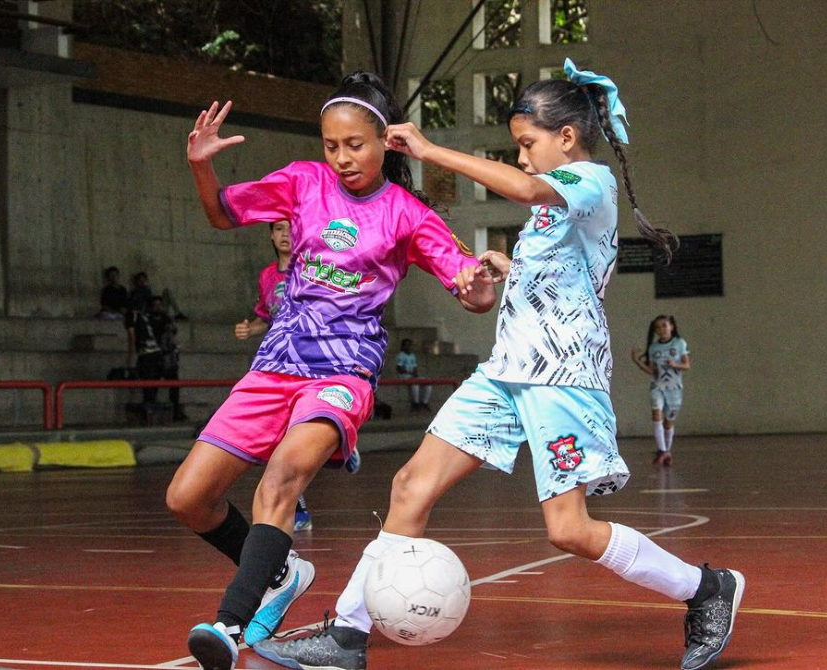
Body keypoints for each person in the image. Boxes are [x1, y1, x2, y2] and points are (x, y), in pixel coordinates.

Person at [254, 58, 743, 670]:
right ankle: (348, 636)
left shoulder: (590, 182)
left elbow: (527, 189)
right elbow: (570, 276)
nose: (521, 158)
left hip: (563, 378)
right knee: (410, 485)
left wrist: (432, 152)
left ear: (566, 137)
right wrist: (509, 272)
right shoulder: (553, 203)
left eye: (526, 144)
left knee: (568, 529)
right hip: (506, 372)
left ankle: (706, 589)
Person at [167, 69, 497, 670]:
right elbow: (221, 213)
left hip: (344, 370)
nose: (342, 158)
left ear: (385, 143)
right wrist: (201, 164)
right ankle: (279, 572)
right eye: (331, 145)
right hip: (278, 361)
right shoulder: (302, 182)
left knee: (282, 481)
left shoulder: (407, 213)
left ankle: (230, 623)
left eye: (355, 145)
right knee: (188, 497)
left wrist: (479, 283)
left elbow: (472, 294)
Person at [234, 220, 324, 533]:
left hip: (312, 361)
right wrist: (251, 328)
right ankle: (296, 505)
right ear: (271, 235)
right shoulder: (266, 276)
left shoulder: (312, 269)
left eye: (290, 228)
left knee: (296, 435)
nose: (285, 234)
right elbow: (265, 316)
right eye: (278, 229)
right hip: (277, 362)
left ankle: (338, 444)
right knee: (279, 436)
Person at [632, 315, 691, 466]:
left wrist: (675, 364)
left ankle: (667, 450)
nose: (661, 329)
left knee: (668, 422)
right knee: (656, 413)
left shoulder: (679, 344)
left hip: (674, 388)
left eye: (664, 325)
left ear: (671, 326)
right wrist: (637, 361)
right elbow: (652, 371)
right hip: (658, 386)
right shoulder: (653, 348)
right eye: (658, 327)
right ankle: (662, 451)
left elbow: (686, 365)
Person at [126, 295, 186, 421]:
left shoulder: (163, 318)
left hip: (162, 355)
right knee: (150, 385)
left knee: (172, 383)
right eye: (155, 305)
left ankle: (174, 411)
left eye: (160, 305)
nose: (158, 307)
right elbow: (134, 338)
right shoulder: (143, 318)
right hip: (151, 354)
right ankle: (151, 413)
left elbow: (173, 332)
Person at [395, 338, 432, 411]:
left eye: (409, 345)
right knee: (415, 383)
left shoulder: (412, 356)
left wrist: (415, 373)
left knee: (428, 382)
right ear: (402, 346)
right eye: (406, 345)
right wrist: (411, 373)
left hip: (412, 376)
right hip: (404, 377)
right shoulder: (400, 356)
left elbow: (415, 367)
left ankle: (425, 403)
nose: (408, 347)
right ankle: (415, 404)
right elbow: (399, 369)